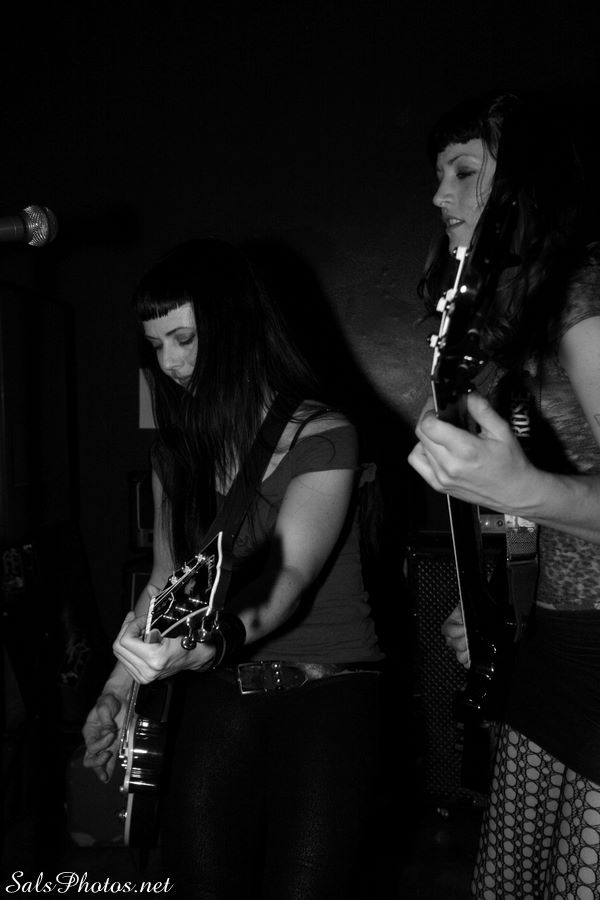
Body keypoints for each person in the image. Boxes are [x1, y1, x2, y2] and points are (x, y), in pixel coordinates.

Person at [82, 237, 384, 899]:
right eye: (156, 347)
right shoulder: (175, 452)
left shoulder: (322, 434)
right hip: (221, 683)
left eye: (184, 338)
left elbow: (287, 583)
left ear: (237, 327)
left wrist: (205, 645)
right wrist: (117, 687)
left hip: (327, 684)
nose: (170, 364)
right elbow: (165, 580)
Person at [408, 89, 600, 899]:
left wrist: (523, 486)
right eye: (438, 175)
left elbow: (544, 489)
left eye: (463, 171)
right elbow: (548, 507)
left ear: (524, 185)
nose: (438, 195)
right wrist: (497, 605)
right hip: (555, 634)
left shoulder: (582, 290)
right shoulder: (515, 314)